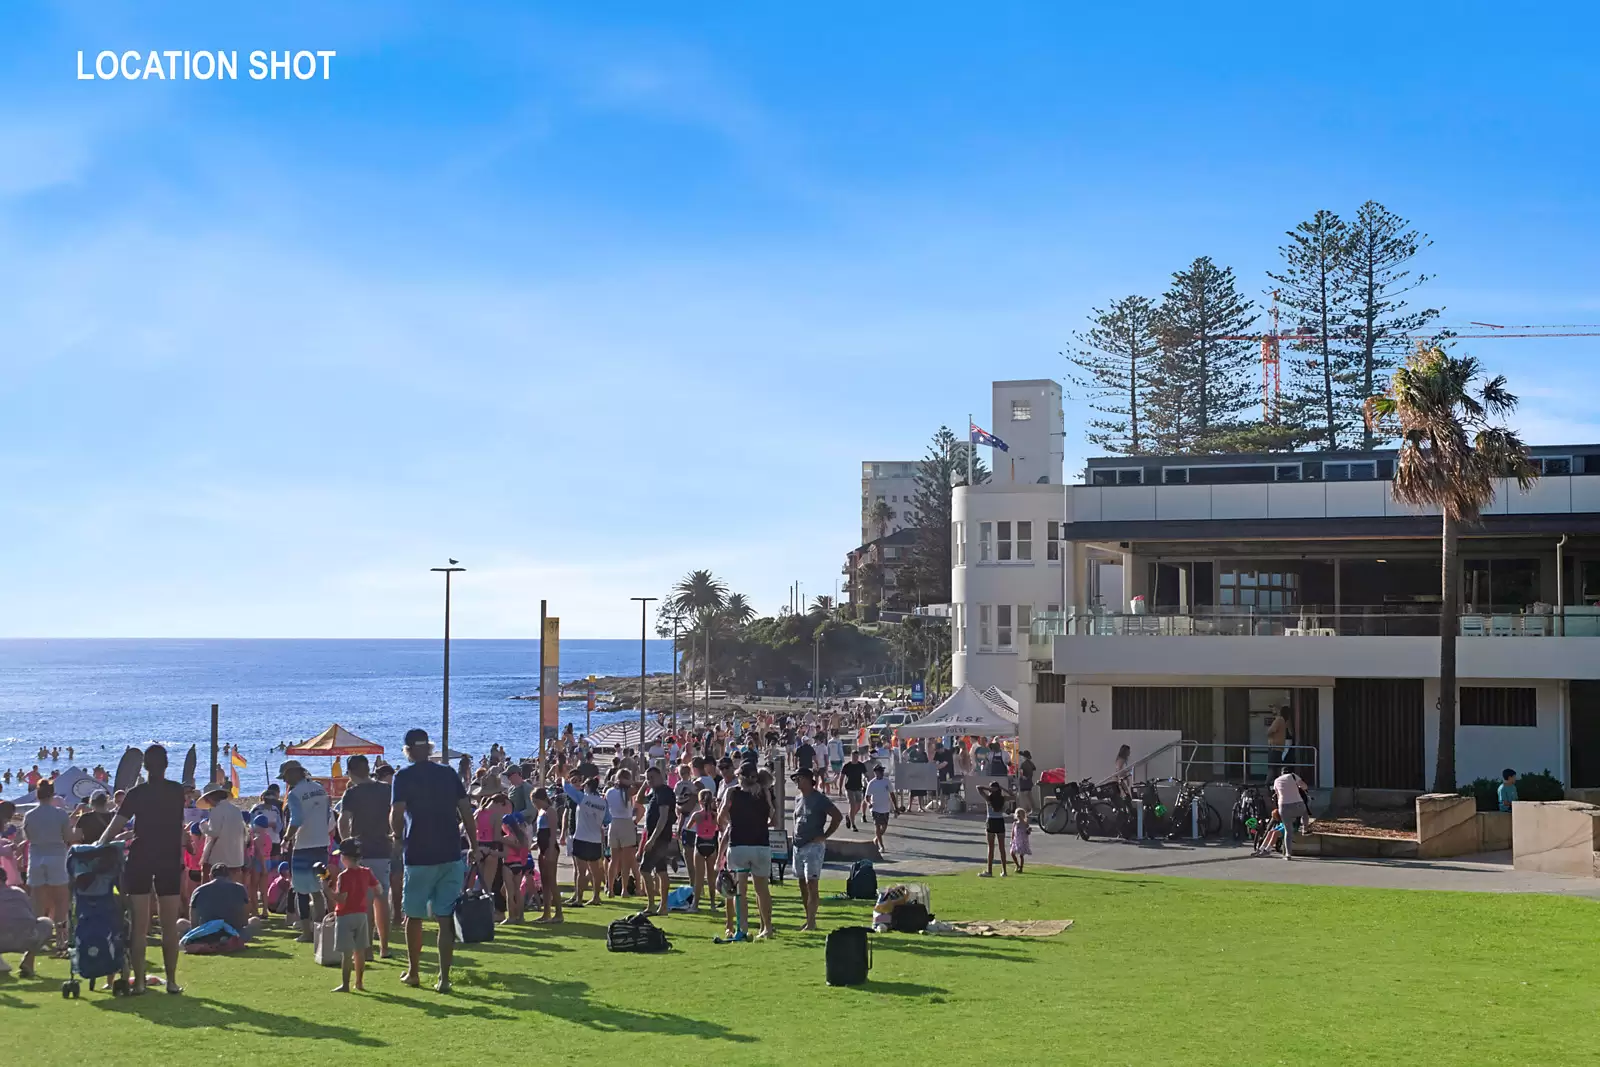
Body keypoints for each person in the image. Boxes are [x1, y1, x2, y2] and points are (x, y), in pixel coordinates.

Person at [389, 728, 477, 993]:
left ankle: (414, 972)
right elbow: (465, 810)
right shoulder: (448, 773)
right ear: (428, 748)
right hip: (450, 852)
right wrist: (474, 844)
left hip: (418, 854)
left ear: (408, 750)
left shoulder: (402, 776)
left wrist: (396, 836)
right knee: (445, 917)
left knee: (413, 917)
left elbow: (397, 812)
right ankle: (444, 978)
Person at [97, 743, 186, 995]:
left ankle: (141, 983)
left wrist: (98, 843)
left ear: (144, 766)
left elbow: (117, 824)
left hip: (141, 857)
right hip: (168, 857)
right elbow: (177, 824)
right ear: (166, 765)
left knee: (139, 925)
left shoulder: (136, 793)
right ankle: (171, 981)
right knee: (169, 924)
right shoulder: (176, 791)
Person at [337, 754, 393, 959]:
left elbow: (344, 821)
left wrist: (347, 844)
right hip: (383, 848)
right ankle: (384, 947)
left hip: (362, 851)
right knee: (381, 898)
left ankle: (366, 949)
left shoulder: (352, 793)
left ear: (351, 773)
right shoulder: (386, 790)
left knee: (363, 902)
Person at [716, 764, 775, 941]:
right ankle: (767, 928)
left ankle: (742, 928)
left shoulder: (733, 792)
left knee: (740, 891)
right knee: (762, 890)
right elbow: (773, 816)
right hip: (761, 845)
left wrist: (732, 822)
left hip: (739, 844)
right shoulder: (764, 792)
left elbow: (721, 814)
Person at [279, 760, 332, 942]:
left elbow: (297, 819)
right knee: (318, 890)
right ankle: (319, 931)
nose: (285, 781)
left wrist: (286, 839)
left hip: (303, 846)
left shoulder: (295, 794)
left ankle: (307, 933)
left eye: (285, 777)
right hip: (322, 844)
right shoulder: (320, 789)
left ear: (294, 774)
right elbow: (328, 815)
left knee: (301, 890)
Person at [22, 778, 72, 951]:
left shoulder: (29, 815)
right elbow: (67, 837)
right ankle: (61, 940)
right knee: (61, 902)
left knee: (37, 905)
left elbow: (28, 837)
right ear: (52, 794)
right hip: (57, 857)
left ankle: (34, 945)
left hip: (36, 858)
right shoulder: (60, 814)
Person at [789, 768, 841, 931]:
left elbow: (837, 816)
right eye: (796, 779)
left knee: (811, 883)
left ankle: (812, 922)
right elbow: (796, 820)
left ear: (808, 779)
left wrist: (825, 836)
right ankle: (808, 918)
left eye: (800, 778)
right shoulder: (798, 799)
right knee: (802, 884)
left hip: (813, 846)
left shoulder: (819, 799)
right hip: (798, 846)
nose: (797, 781)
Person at [324, 838, 378, 993]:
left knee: (346, 953)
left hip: (345, 916)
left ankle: (345, 985)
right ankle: (359, 982)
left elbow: (341, 898)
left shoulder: (344, 876)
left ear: (345, 858)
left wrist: (327, 890)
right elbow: (378, 889)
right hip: (361, 915)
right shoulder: (367, 872)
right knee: (359, 950)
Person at [561, 773, 607, 908]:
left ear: (586, 786)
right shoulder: (603, 802)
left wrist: (564, 778)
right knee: (595, 870)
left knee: (581, 871)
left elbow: (567, 789)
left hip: (581, 837)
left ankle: (579, 899)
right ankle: (596, 896)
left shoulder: (582, 798)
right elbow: (607, 820)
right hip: (595, 839)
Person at [0, 864, 53, 978]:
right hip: (25, 939)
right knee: (46, 922)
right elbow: (32, 916)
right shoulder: (18, 892)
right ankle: (28, 960)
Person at [184, 863, 261, 940]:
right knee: (255, 921)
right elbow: (244, 920)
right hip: (235, 933)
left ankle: (214, 940)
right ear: (229, 876)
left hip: (206, 933)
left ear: (210, 876)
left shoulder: (198, 890)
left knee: (181, 923)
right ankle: (229, 940)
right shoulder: (240, 888)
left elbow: (193, 922)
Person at [638, 766, 676, 916]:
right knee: (661, 871)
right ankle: (663, 906)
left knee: (644, 869)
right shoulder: (655, 792)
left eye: (652, 777)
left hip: (660, 837)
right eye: (648, 778)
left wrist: (652, 839)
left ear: (661, 776)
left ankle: (652, 905)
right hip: (657, 837)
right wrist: (644, 784)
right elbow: (640, 800)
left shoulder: (664, 792)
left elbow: (663, 817)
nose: (650, 780)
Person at [604, 769, 642, 898]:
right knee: (626, 861)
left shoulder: (609, 792)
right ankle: (624, 890)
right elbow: (640, 785)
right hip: (626, 823)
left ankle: (610, 889)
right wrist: (631, 781)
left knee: (613, 860)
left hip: (613, 824)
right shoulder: (628, 792)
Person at [199, 785, 247, 879]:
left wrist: (203, 826)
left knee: (212, 885)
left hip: (219, 857)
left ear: (209, 798)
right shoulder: (236, 809)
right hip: (236, 857)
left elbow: (214, 832)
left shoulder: (217, 810)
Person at [530, 788, 563, 924]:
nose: (535, 804)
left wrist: (549, 849)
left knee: (551, 880)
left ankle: (559, 913)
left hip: (550, 848)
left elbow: (552, 832)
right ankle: (546, 912)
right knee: (544, 881)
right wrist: (537, 844)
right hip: (542, 847)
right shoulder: (540, 812)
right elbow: (540, 832)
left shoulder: (550, 811)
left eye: (535, 801)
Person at [689, 789, 719, 912]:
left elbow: (689, 826)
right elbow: (720, 827)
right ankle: (712, 904)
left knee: (699, 877)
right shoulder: (714, 815)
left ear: (699, 801)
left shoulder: (697, 815)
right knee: (711, 877)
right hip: (711, 843)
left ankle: (695, 905)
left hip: (700, 843)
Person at [1271, 767, 1310, 860]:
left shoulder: (1276, 780)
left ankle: (1288, 854)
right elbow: (1304, 786)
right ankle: (1305, 829)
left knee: (1288, 831)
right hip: (1297, 804)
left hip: (1283, 806)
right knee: (1305, 812)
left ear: (1281, 773)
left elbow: (1276, 793)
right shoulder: (1293, 776)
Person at [979, 780, 1010, 878]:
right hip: (1000, 821)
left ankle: (989, 871)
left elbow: (978, 788)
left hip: (991, 822)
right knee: (1002, 848)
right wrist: (1000, 788)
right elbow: (1014, 795)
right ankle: (1004, 871)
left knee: (990, 848)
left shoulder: (988, 798)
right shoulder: (1003, 798)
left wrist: (991, 789)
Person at [864, 764, 895, 853]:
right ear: (875, 772)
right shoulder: (872, 783)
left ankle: (876, 838)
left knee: (884, 827)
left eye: (881, 771)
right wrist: (869, 803)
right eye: (878, 771)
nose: (880, 773)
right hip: (875, 808)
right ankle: (881, 846)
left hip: (885, 807)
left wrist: (895, 806)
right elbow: (867, 797)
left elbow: (892, 794)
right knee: (877, 826)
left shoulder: (887, 781)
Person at [841, 751, 868, 832]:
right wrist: (840, 789)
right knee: (852, 805)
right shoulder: (847, 766)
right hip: (849, 788)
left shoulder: (861, 765)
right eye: (853, 756)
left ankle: (849, 817)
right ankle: (853, 825)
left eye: (856, 756)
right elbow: (842, 777)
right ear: (851, 756)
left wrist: (868, 780)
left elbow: (866, 774)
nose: (855, 758)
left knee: (858, 806)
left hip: (858, 787)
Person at [1016, 750, 1037, 820]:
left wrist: (1023, 776)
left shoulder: (1023, 764)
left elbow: (1021, 772)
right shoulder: (1031, 763)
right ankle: (1033, 809)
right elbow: (1034, 769)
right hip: (1029, 781)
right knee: (1029, 795)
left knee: (1025, 795)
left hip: (1024, 782)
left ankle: (1030, 809)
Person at [1010, 804, 1032, 874]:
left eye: (1020, 813)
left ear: (1023, 815)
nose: (1019, 815)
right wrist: (1012, 840)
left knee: (1021, 855)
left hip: (1023, 841)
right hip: (1016, 840)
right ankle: (1017, 865)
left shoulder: (1025, 824)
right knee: (1012, 853)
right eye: (1017, 813)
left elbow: (1028, 832)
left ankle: (1021, 868)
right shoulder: (1015, 824)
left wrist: (1029, 830)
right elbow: (1013, 833)